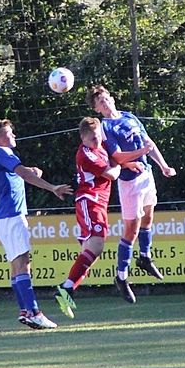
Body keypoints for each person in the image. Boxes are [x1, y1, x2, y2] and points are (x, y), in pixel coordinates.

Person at [86, 85, 177, 304]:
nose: (104, 103)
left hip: (146, 174)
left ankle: (145, 257)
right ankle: (121, 276)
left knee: (148, 218)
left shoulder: (129, 116)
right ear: (97, 109)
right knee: (131, 230)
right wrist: (140, 153)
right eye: (99, 102)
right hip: (130, 182)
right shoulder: (105, 127)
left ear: (112, 98)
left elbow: (149, 143)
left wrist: (163, 166)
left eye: (105, 98)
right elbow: (117, 157)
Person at [54, 117, 150, 318]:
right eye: (91, 139)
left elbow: (115, 161)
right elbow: (111, 174)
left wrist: (126, 163)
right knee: (96, 247)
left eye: (98, 138)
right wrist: (124, 163)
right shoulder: (85, 154)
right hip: (90, 201)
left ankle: (67, 289)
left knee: (89, 255)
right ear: (82, 138)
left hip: (98, 203)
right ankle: (66, 289)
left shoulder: (100, 147)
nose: (96, 142)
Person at [0, 119, 72, 329]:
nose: (13, 136)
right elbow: (22, 173)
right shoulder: (2, 152)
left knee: (17, 266)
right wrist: (52, 187)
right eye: (9, 133)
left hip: (5, 217)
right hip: (12, 216)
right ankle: (34, 312)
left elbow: (19, 172)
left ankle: (25, 311)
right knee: (23, 263)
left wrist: (30, 170)